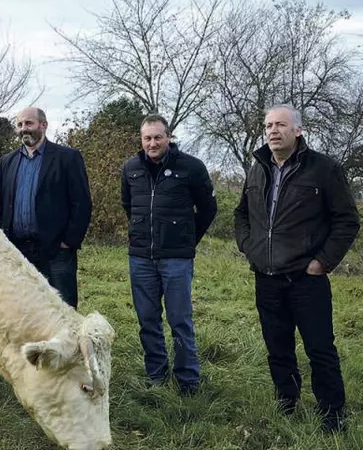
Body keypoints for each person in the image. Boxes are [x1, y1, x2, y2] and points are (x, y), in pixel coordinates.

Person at [234, 104, 358, 433]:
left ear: (298, 131)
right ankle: (287, 403)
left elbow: (347, 220)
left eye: (281, 125)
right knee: (278, 346)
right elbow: (241, 215)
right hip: (267, 278)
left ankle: (332, 414)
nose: (273, 131)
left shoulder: (323, 169)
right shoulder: (257, 168)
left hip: (307, 278)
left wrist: (323, 262)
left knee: (319, 347)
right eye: (268, 126)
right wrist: (249, 247)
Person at [120, 114, 217, 395]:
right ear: (141, 140)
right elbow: (129, 205)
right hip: (141, 258)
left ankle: (188, 380)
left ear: (168, 137)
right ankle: (156, 376)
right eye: (147, 138)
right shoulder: (130, 168)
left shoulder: (191, 167)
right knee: (147, 319)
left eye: (157, 137)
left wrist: (187, 240)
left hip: (176, 258)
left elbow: (208, 209)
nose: (152, 143)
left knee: (179, 320)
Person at [0, 107, 92, 309]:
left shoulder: (67, 158)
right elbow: (0, 205)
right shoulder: (7, 162)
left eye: (29, 123)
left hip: (56, 251)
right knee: (23, 308)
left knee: (62, 309)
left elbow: (81, 203)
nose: (23, 129)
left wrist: (68, 242)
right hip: (17, 251)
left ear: (43, 125)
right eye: (19, 125)